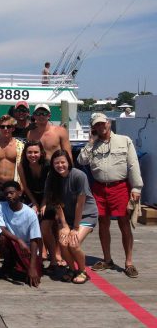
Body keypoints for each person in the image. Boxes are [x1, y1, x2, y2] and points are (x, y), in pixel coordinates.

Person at [77, 113, 143, 278]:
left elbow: (133, 164)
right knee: (103, 223)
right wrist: (91, 142)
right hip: (99, 188)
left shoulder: (124, 140)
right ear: (93, 128)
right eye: (96, 125)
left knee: (124, 224)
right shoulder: (93, 145)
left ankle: (128, 263)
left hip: (120, 187)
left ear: (108, 123)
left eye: (102, 123)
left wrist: (136, 188)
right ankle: (107, 259)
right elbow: (81, 160)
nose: (101, 127)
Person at [42, 150, 98, 284]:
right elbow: (56, 203)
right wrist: (65, 225)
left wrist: (75, 227)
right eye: (56, 163)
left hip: (86, 215)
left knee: (73, 244)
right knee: (62, 242)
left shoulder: (79, 175)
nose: (60, 165)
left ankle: (82, 271)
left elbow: (80, 204)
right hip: (66, 217)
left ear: (69, 162)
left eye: (63, 162)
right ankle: (72, 269)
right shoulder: (52, 177)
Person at [17, 141, 61, 271]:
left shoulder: (48, 165)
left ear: (41, 153)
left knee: (45, 228)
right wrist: (35, 204)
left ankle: (53, 260)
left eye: (36, 152)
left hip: (49, 196)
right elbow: (25, 187)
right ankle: (39, 258)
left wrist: (43, 204)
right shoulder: (22, 166)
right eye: (29, 152)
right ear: (25, 154)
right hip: (32, 196)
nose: (33, 155)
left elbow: (50, 187)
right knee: (33, 227)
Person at [0, 181, 42, 287]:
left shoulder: (30, 213)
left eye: (12, 193)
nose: (8, 196)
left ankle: (16, 266)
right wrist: (18, 240)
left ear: (20, 193)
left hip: (28, 248)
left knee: (34, 275)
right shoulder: (0, 206)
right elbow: (1, 228)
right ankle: (8, 263)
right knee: (1, 237)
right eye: (6, 193)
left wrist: (32, 267)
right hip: (14, 243)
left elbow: (35, 239)